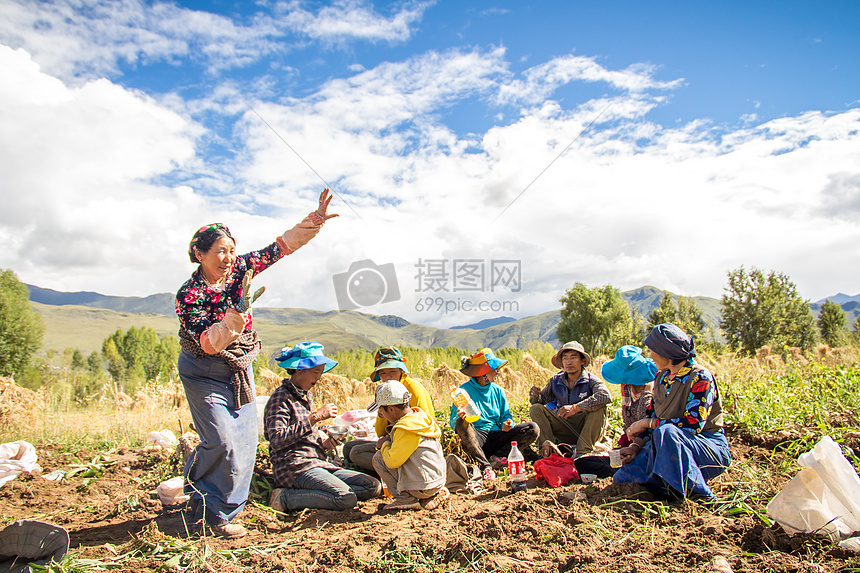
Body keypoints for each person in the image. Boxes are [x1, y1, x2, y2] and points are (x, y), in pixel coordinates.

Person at [175, 189, 337, 538]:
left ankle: (221, 514)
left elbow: (280, 247)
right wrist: (237, 315)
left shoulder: (240, 269)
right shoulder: (189, 295)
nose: (229, 258)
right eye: (220, 252)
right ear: (200, 254)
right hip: (203, 370)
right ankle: (199, 491)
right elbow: (208, 342)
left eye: (232, 250)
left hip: (238, 367)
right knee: (220, 441)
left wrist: (315, 220)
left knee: (245, 444)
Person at [613, 323, 731, 504]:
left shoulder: (700, 377)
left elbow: (693, 424)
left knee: (665, 432)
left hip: (705, 447)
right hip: (664, 445)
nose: (650, 356)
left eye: (652, 351)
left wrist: (647, 424)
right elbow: (652, 414)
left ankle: (701, 496)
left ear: (666, 353)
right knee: (623, 478)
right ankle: (669, 485)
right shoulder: (661, 378)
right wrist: (636, 446)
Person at [266, 342, 382, 512]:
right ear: (299, 370)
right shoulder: (281, 399)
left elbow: (304, 438)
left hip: (318, 463)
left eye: (320, 372)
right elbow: (276, 440)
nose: (319, 377)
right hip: (295, 467)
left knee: (372, 486)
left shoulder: (306, 396)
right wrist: (315, 417)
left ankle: (312, 493)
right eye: (316, 372)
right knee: (345, 498)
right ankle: (285, 497)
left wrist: (325, 444)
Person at [449, 348, 539, 481]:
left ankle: (498, 458)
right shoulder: (463, 391)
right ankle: (485, 465)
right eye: (495, 369)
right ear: (484, 373)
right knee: (461, 424)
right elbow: (453, 423)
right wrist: (461, 417)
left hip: (497, 435)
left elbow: (506, 415)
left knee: (532, 428)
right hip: (476, 437)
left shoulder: (498, 391)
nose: (498, 372)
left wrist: (508, 422)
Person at [343, 347, 436, 473]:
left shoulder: (412, 388)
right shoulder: (386, 390)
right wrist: (382, 415)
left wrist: (387, 443)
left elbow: (421, 428)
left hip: (411, 447)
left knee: (356, 454)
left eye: (392, 371)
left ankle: (394, 475)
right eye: (383, 373)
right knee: (349, 447)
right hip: (395, 440)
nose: (388, 377)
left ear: (401, 370)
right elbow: (380, 432)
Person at [572, 345, 657, 478]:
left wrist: (647, 392)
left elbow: (644, 417)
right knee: (583, 464)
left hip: (650, 444)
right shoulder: (627, 388)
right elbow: (628, 421)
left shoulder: (654, 388)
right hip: (634, 443)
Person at [369, 380, 449, 511]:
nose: (381, 415)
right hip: (438, 482)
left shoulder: (405, 429)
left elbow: (392, 461)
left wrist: (384, 444)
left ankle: (405, 498)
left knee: (379, 458)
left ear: (391, 409)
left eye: (381, 411)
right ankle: (434, 493)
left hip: (423, 487)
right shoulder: (420, 417)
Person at [528, 341, 611, 458]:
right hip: (565, 426)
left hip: (586, 428)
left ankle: (583, 452)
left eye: (573, 357)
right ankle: (547, 452)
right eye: (565, 358)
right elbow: (542, 401)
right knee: (536, 409)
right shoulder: (556, 381)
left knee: (599, 408)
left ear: (582, 361)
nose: (569, 362)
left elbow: (605, 396)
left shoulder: (591, 380)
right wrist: (535, 397)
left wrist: (576, 408)